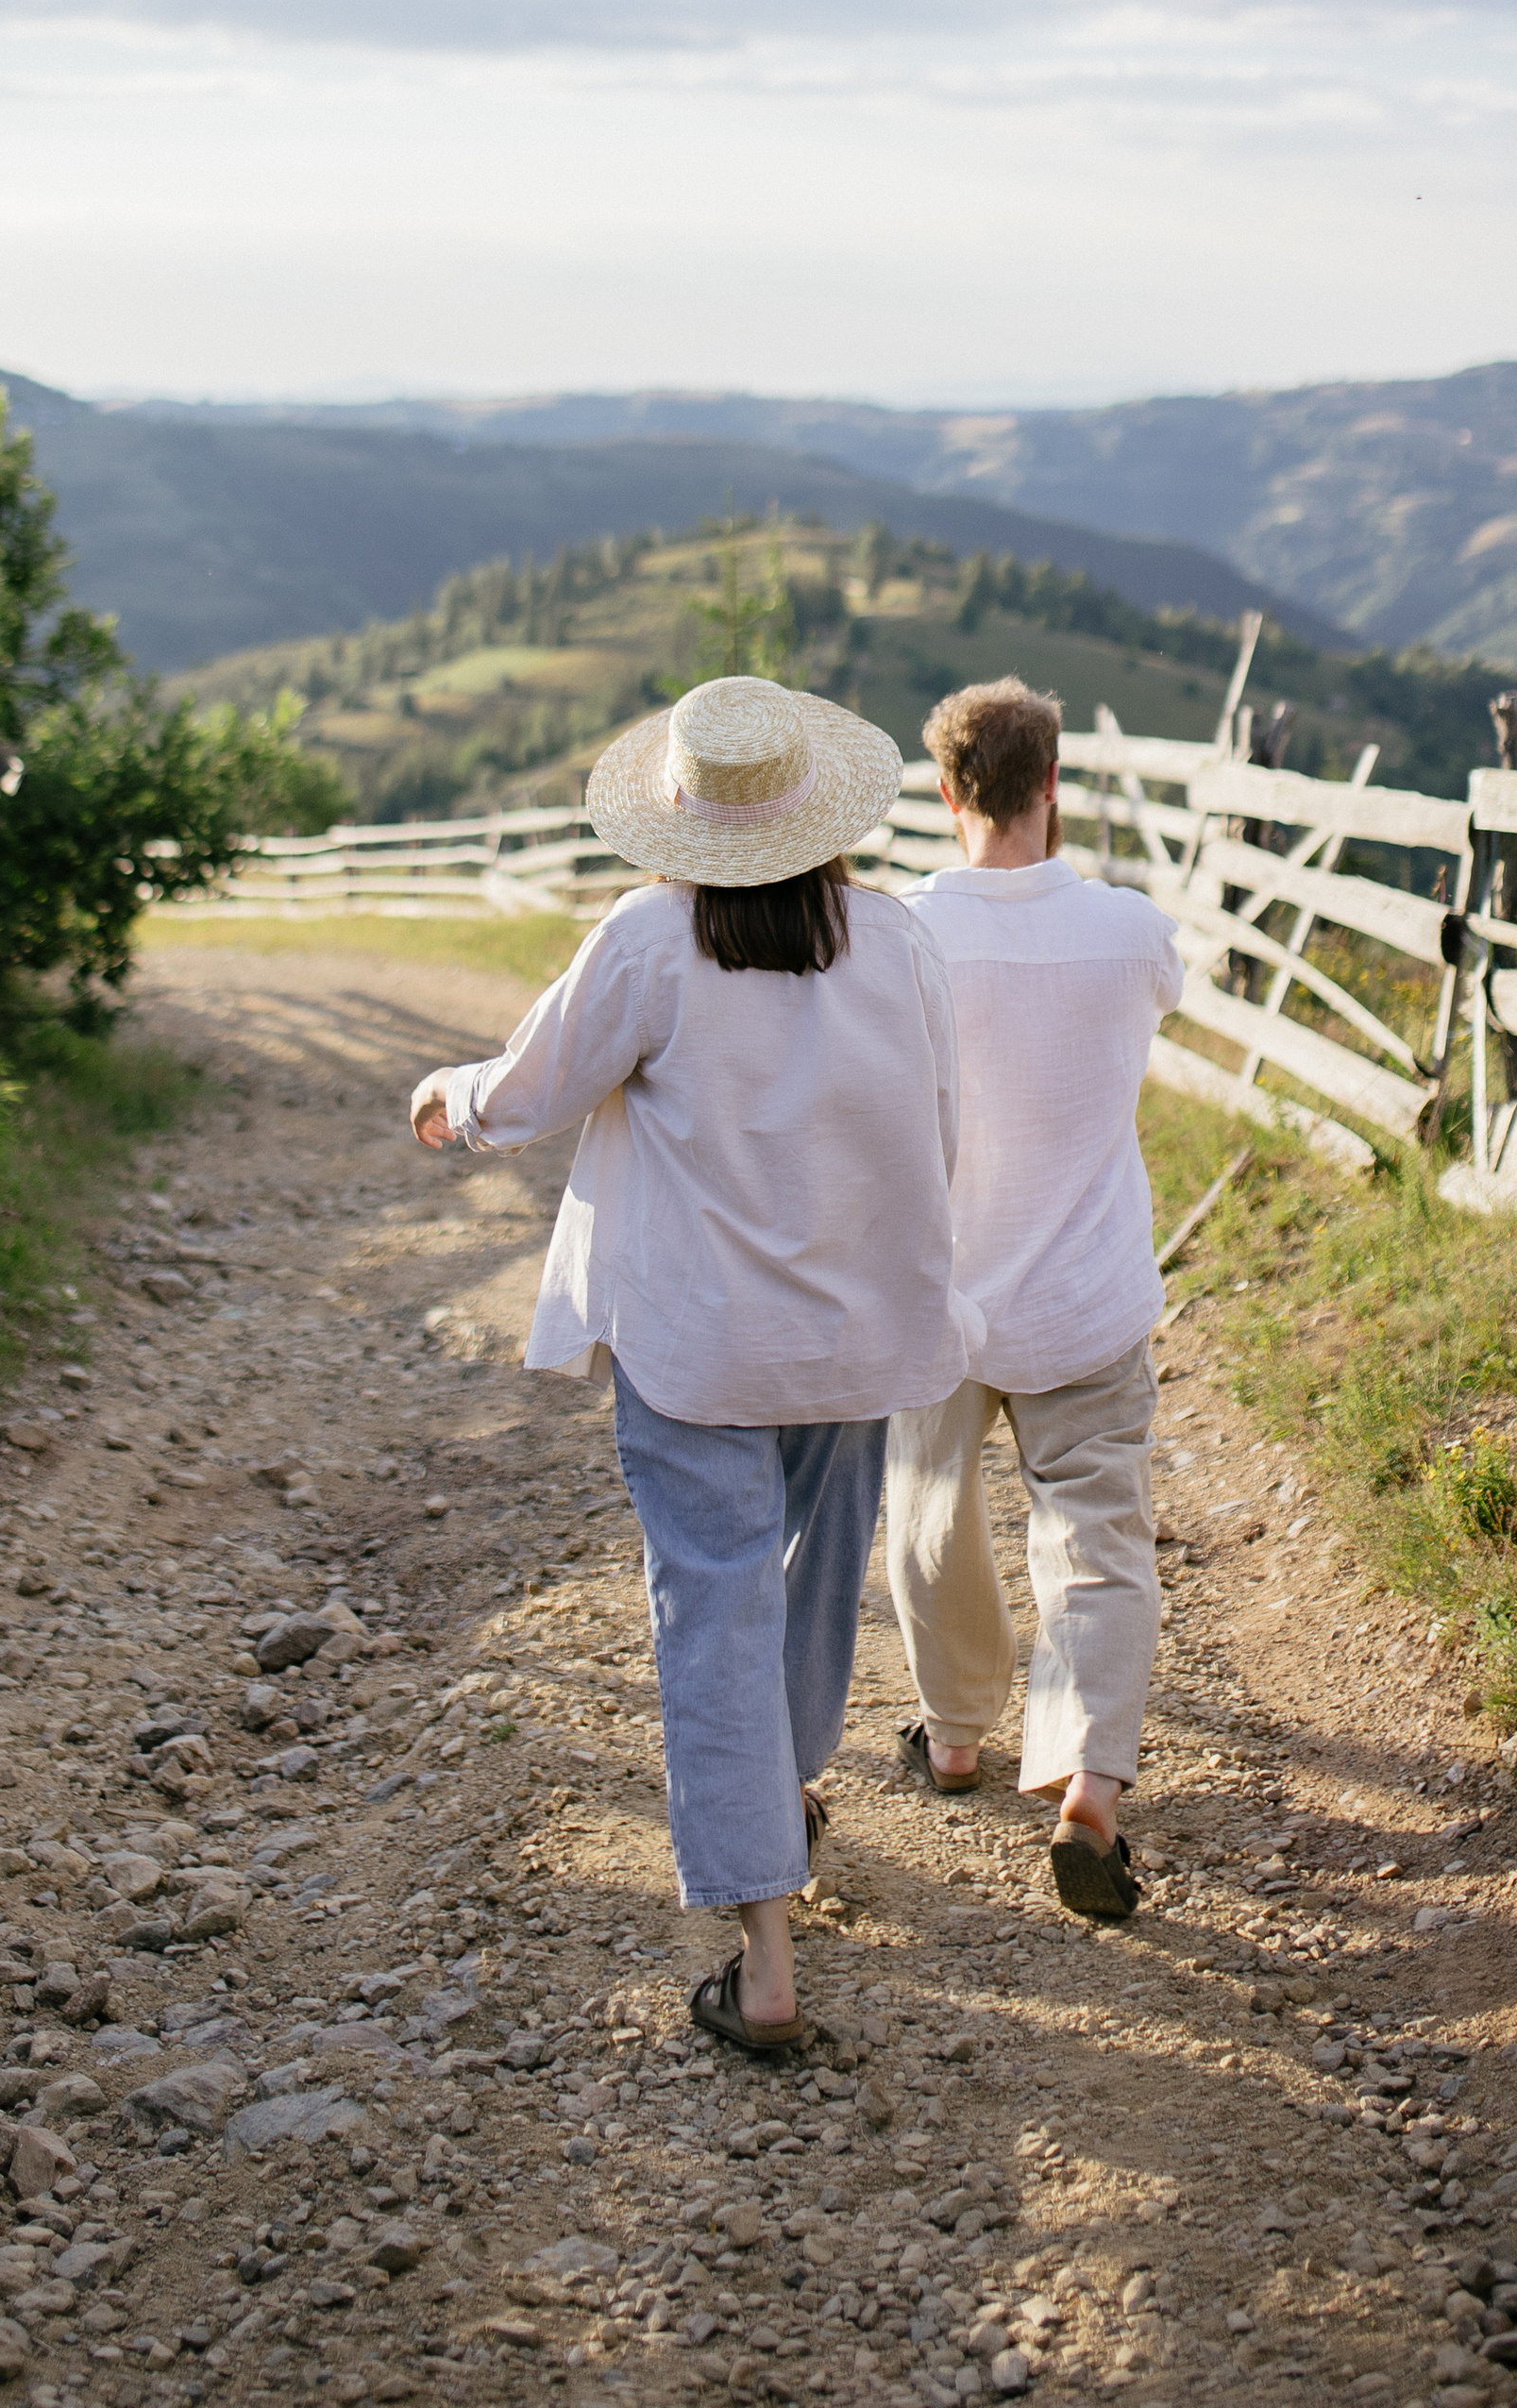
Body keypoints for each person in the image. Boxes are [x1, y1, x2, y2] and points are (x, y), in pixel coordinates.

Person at [407, 672, 974, 2055]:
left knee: (711, 1608)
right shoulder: (895, 944)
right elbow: (940, 1129)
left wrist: (452, 1101)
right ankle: (779, 1797)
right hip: (846, 1336)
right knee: (816, 1577)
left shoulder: (653, 943)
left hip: (698, 1342)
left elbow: (535, 1089)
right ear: (824, 812)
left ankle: (765, 1950)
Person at [883, 676, 1183, 1921]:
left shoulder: (898, 934)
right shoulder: (1131, 928)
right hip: (1088, 1294)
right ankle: (1087, 1790)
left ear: (947, 791)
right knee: (1098, 1543)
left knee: (930, 1511)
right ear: (1054, 784)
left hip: (937, 1290)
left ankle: (957, 1738)